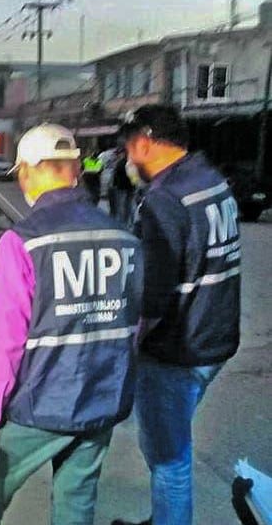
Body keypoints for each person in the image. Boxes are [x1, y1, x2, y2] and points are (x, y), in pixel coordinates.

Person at [0, 123, 143, 525]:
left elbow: (7, 338)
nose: (20, 179)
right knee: (75, 504)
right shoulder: (124, 236)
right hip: (103, 400)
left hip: (43, 404)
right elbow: (132, 321)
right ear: (74, 170)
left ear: (31, 169)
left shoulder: (23, 240)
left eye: (21, 171)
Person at [112, 105, 241, 525]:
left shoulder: (164, 198)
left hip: (177, 350)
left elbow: (154, 296)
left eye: (129, 149)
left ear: (144, 142)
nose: (128, 160)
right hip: (215, 341)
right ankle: (165, 516)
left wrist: (130, 344)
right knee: (171, 444)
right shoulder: (211, 181)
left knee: (168, 457)